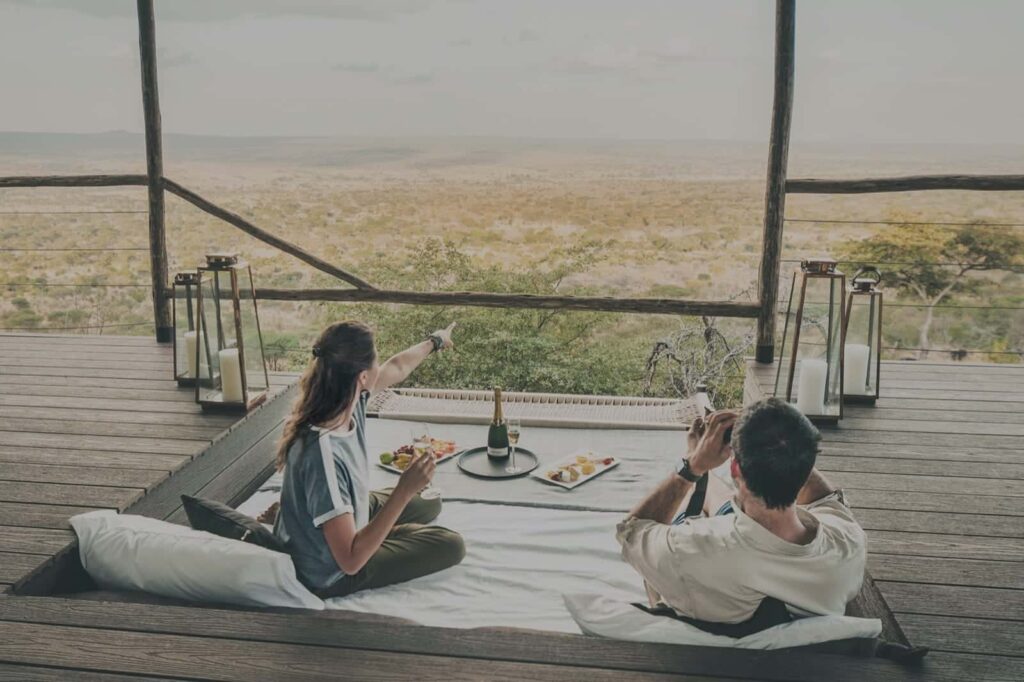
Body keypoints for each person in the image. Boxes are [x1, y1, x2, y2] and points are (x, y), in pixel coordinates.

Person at [616, 397, 866, 631]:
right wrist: (782, 440)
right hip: (774, 628)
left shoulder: (687, 550)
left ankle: (703, 473)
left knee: (691, 518)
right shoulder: (848, 543)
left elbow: (632, 530)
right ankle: (708, 477)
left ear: (735, 467)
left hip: (704, 614)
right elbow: (826, 498)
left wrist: (692, 464)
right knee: (722, 498)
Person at [273, 320, 465, 598]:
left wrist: (436, 340)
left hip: (342, 522)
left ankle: (366, 529)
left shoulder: (346, 402)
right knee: (450, 544)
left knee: (429, 499)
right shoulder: (322, 453)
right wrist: (402, 491)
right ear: (362, 376)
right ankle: (372, 534)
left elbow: (398, 366)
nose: (380, 364)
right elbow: (350, 562)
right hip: (329, 572)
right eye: (376, 356)